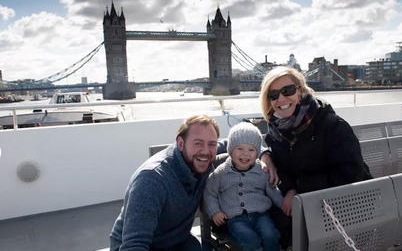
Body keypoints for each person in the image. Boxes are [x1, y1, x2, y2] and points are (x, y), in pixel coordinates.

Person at [259, 66, 373, 248]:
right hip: (306, 205)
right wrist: (265, 156)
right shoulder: (277, 132)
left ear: (300, 91)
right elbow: (283, 166)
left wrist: (299, 189)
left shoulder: (332, 126)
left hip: (346, 208)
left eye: (287, 90)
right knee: (261, 225)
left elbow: (350, 173)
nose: (280, 99)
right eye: (273, 95)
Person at [110, 115, 222, 251]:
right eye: (198, 143)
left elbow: (227, 144)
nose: (205, 151)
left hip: (174, 240)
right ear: (180, 144)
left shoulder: (200, 161)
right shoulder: (152, 180)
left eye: (212, 144)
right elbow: (134, 244)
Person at [203, 122, 284, 251]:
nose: (245, 154)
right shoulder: (221, 172)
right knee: (250, 239)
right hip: (235, 219)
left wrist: (284, 205)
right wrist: (215, 212)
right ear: (230, 150)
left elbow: (272, 190)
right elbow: (209, 192)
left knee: (271, 235)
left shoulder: (261, 171)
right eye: (239, 149)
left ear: (257, 152)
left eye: (251, 150)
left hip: (261, 215)